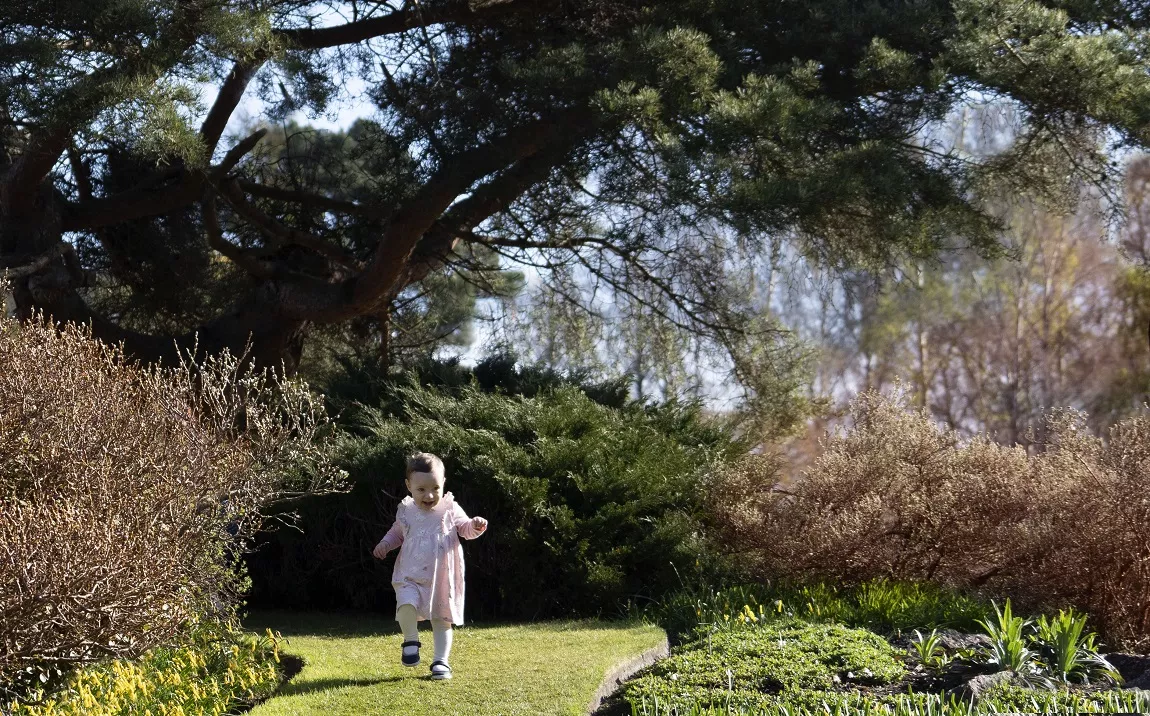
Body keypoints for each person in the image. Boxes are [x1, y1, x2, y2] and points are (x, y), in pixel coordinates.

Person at [372, 452, 488, 680]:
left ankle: (441, 662)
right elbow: (397, 532)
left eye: (435, 488)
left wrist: (475, 525)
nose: (429, 495)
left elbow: (464, 528)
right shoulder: (407, 510)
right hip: (410, 572)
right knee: (405, 602)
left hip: (441, 575)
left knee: (442, 618)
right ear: (409, 486)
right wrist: (386, 544)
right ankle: (411, 639)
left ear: (443, 483)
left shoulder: (449, 507)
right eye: (421, 489)